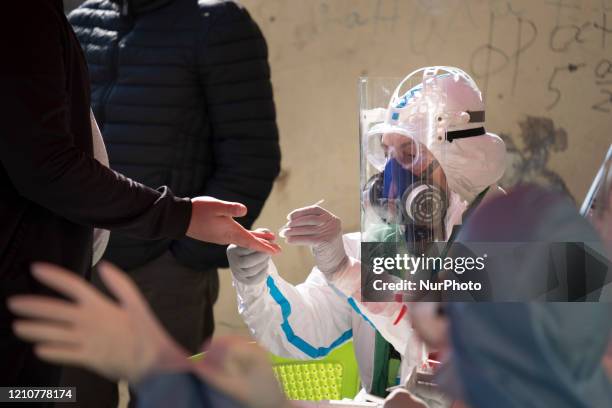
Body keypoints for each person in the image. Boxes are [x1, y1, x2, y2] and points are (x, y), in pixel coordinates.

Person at [0, 0, 279, 390]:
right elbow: (46, 155)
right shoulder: (79, 20)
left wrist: (186, 257)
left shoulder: (216, 23)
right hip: (81, 271)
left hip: (165, 269)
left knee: (170, 398)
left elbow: (252, 151)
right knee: (56, 396)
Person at [228, 67, 507, 402]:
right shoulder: (377, 246)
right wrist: (257, 281)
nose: (391, 177)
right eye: (387, 154)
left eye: (409, 154)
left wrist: (351, 276)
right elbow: (305, 334)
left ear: (460, 160)